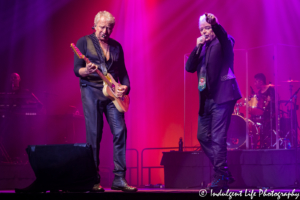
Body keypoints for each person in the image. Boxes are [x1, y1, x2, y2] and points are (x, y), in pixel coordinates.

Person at [73, 11, 137, 192]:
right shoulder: (83, 42)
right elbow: (77, 70)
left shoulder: (116, 46)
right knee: (94, 134)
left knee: (120, 131)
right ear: (95, 25)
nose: (105, 31)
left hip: (112, 94)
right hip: (91, 90)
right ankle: (93, 180)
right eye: (102, 27)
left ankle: (119, 178)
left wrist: (125, 87)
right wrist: (86, 70)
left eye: (109, 28)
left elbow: (123, 72)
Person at [185, 13, 242, 191]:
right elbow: (189, 68)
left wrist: (215, 25)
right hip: (207, 99)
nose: (204, 32)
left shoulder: (225, 41)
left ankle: (220, 178)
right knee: (202, 137)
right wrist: (196, 48)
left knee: (218, 137)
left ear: (214, 27)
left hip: (223, 96)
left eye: (207, 28)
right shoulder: (202, 47)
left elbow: (224, 37)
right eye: (202, 29)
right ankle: (223, 172)